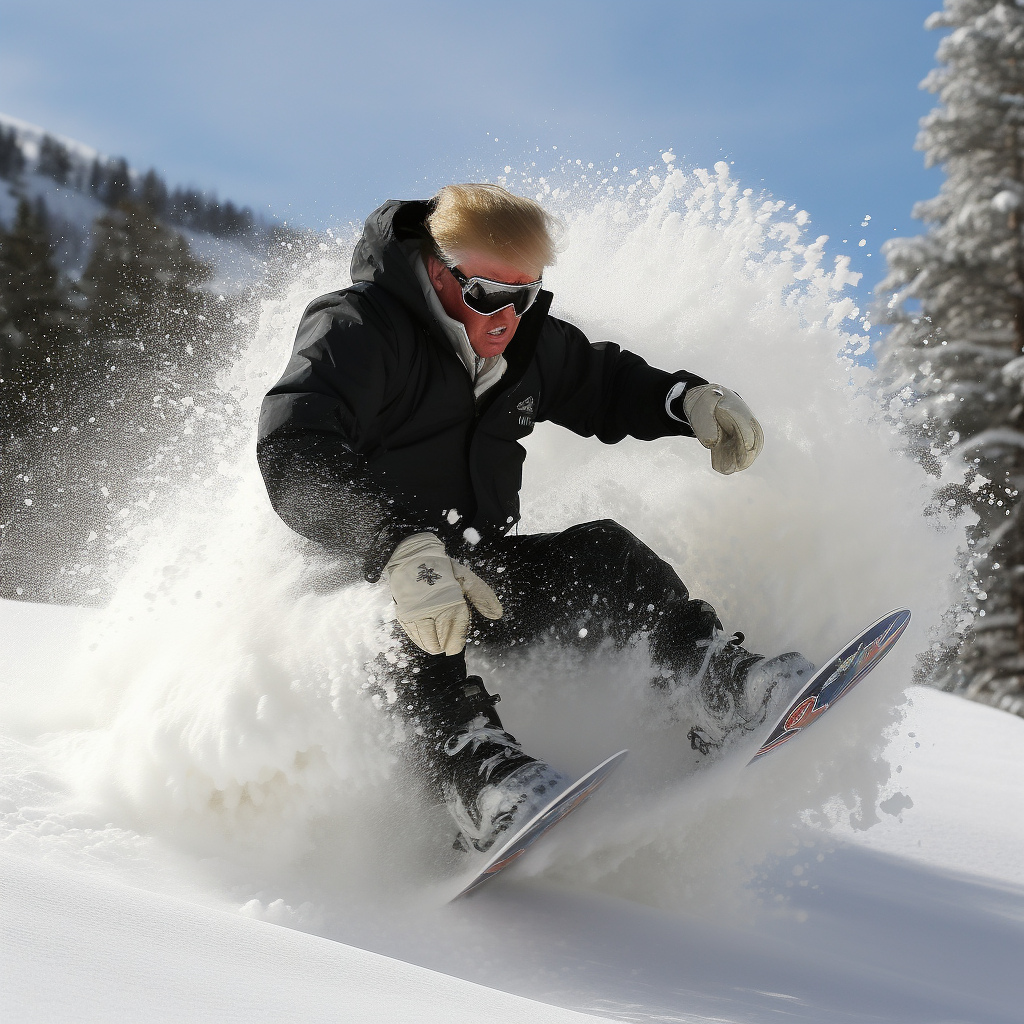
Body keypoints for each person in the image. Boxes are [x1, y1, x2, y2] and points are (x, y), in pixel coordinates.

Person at [257, 184, 812, 853]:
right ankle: (470, 780)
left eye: (526, 294)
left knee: (607, 555)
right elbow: (295, 451)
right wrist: (397, 548)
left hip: (474, 571)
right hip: (366, 575)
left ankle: (709, 685)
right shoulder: (359, 328)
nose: (508, 316)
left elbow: (603, 384)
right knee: (404, 622)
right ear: (437, 270)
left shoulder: (522, 343)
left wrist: (685, 399)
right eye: (489, 294)